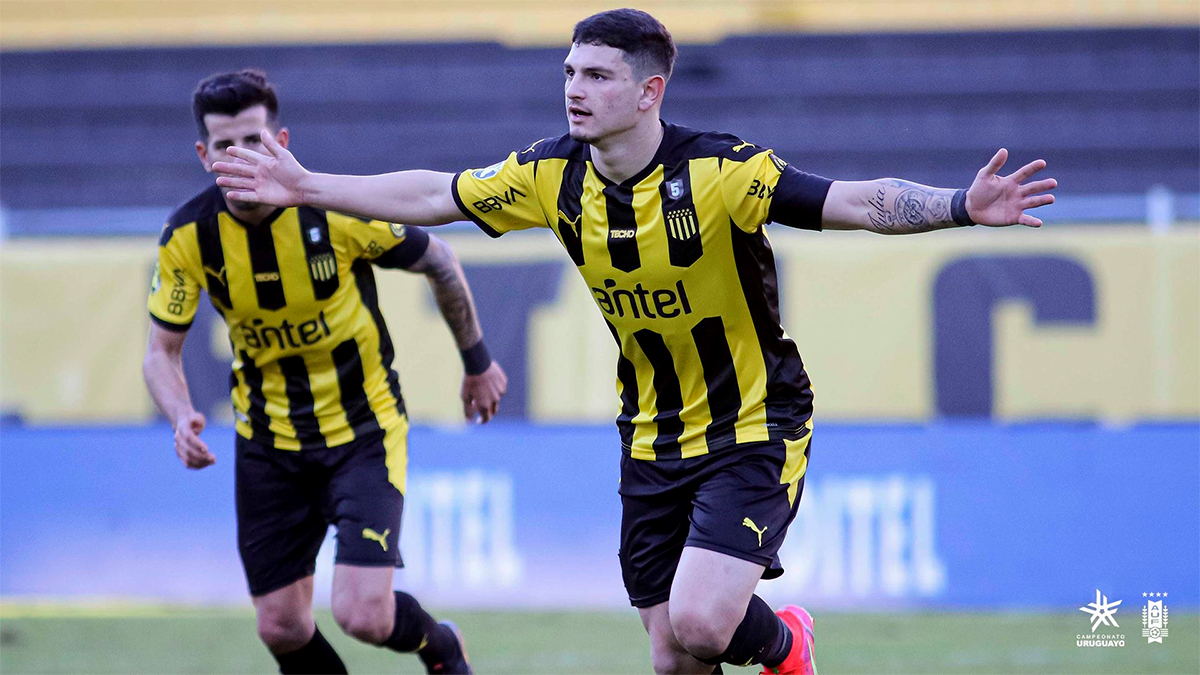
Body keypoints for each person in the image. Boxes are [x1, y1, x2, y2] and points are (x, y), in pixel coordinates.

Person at [213, 9, 1057, 674]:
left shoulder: (721, 173)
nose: (574, 90)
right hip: (650, 435)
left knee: (702, 621)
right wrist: (307, 184)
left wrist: (959, 205)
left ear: (650, 91)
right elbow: (437, 194)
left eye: (597, 76)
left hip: (753, 421)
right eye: (569, 72)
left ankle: (788, 642)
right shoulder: (550, 175)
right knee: (672, 657)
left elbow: (855, 200)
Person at [144, 69, 507, 675]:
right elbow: (161, 351)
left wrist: (477, 363)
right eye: (226, 145)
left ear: (281, 141)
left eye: (255, 140)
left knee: (364, 616)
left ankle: (441, 647)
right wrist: (180, 414)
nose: (242, 156)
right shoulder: (188, 237)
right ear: (204, 155)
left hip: (363, 432)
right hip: (268, 444)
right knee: (281, 628)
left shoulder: (334, 211)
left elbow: (440, 261)